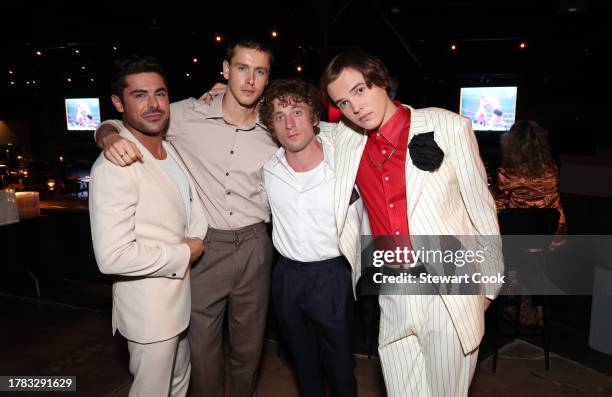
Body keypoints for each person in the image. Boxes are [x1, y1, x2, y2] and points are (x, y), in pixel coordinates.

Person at [95, 39, 277, 397]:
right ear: (225, 70)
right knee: (201, 350)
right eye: (241, 68)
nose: (249, 79)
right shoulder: (183, 114)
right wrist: (107, 134)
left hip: (256, 244)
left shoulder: (274, 126)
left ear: (268, 79)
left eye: (260, 71)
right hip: (206, 247)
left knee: (248, 349)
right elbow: (129, 116)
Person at [320, 50, 503, 397]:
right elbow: (292, 123)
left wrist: (487, 291)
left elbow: (483, 212)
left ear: (381, 80)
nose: (354, 107)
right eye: (342, 102)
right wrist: (228, 97)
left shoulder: (448, 126)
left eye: (359, 90)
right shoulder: (346, 139)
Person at [89, 55, 207, 397]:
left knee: (178, 384)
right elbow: (112, 257)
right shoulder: (115, 165)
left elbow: (185, 207)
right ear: (118, 102)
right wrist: (184, 252)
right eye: (139, 95)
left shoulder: (169, 148)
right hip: (150, 313)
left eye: (160, 93)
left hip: (177, 305)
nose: (153, 104)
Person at [259, 79, 360, 397]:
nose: (289, 124)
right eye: (279, 116)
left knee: (341, 369)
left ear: (315, 117)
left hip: (332, 276)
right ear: (271, 126)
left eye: (297, 112)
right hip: (286, 277)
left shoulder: (344, 163)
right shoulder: (267, 170)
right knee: (303, 366)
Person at [495, 120, 567, 326]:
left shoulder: (506, 173)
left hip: (513, 247)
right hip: (541, 243)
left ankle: (506, 307)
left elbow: (498, 210)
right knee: (530, 260)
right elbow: (556, 207)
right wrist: (558, 238)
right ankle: (533, 310)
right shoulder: (551, 171)